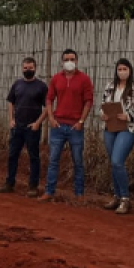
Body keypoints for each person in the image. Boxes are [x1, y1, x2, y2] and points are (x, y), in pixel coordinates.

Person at [40, 49, 94, 203]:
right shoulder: (56, 78)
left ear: (77, 61)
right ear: (62, 61)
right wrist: (50, 117)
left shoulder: (84, 79)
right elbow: (49, 99)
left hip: (75, 127)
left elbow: (88, 101)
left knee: (77, 161)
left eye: (72, 59)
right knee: (53, 160)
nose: (69, 61)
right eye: (66, 59)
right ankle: (49, 192)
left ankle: (79, 194)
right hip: (58, 126)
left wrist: (81, 121)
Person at [99, 58, 134, 214]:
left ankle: (125, 198)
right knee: (113, 163)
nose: (122, 72)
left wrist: (128, 116)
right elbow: (103, 104)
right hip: (110, 127)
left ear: (130, 70)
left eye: (125, 69)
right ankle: (117, 196)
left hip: (128, 128)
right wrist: (102, 114)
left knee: (117, 161)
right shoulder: (110, 87)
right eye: (119, 69)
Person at [0, 57, 48, 197]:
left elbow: (48, 107)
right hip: (17, 127)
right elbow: (11, 102)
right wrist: (11, 119)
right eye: (25, 68)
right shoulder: (17, 84)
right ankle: (9, 183)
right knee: (13, 155)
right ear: (22, 68)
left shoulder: (41, 86)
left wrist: (38, 123)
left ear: (35, 68)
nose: (28, 70)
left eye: (30, 68)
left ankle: (33, 186)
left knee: (34, 157)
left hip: (32, 128)